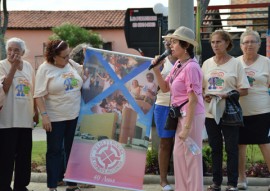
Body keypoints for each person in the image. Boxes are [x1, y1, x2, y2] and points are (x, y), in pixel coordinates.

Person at [152, 26, 205, 191]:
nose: (170, 46)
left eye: (174, 42)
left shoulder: (192, 67)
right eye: (170, 42)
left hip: (191, 116)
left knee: (192, 157)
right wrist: (156, 69)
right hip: (180, 116)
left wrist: (187, 127)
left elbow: (193, 99)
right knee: (179, 156)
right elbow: (165, 87)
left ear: (186, 45)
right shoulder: (178, 65)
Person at [202, 30, 250, 191]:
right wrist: (205, 95)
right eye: (213, 42)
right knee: (215, 148)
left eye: (219, 42)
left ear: (227, 43)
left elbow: (244, 90)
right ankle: (216, 183)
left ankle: (232, 184)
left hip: (228, 111)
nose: (215, 45)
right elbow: (201, 88)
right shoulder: (207, 63)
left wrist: (226, 95)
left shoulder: (236, 63)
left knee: (231, 148)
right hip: (210, 113)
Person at [34, 40, 83, 191]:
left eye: (69, 55)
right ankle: (52, 186)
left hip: (74, 115)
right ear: (54, 56)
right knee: (54, 151)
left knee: (72, 150)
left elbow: (84, 73)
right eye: (64, 57)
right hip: (55, 117)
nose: (68, 59)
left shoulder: (70, 64)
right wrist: (45, 116)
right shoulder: (45, 69)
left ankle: (72, 184)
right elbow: (38, 95)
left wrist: (90, 56)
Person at [0, 37, 39, 191]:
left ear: (23, 52)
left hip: (25, 119)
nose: (12, 53)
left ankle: (21, 186)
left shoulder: (29, 67)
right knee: (5, 157)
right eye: (10, 49)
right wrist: (13, 68)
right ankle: (3, 186)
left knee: (24, 156)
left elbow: (33, 90)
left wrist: (35, 112)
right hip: (6, 121)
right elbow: (4, 88)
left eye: (16, 50)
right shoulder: (2, 65)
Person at [237, 30, 270, 190]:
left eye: (252, 42)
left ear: (259, 44)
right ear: (241, 45)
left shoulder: (266, 62)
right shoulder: (234, 63)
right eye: (246, 42)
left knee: (264, 143)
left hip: (262, 110)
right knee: (240, 145)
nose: (249, 45)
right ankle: (242, 178)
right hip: (238, 112)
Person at [153, 29, 177, 191]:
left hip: (183, 106)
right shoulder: (159, 61)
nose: (168, 44)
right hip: (163, 105)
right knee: (165, 143)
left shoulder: (190, 61)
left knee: (182, 144)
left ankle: (183, 177)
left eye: (172, 40)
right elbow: (153, 87)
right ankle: (163, 180)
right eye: (166, 41)